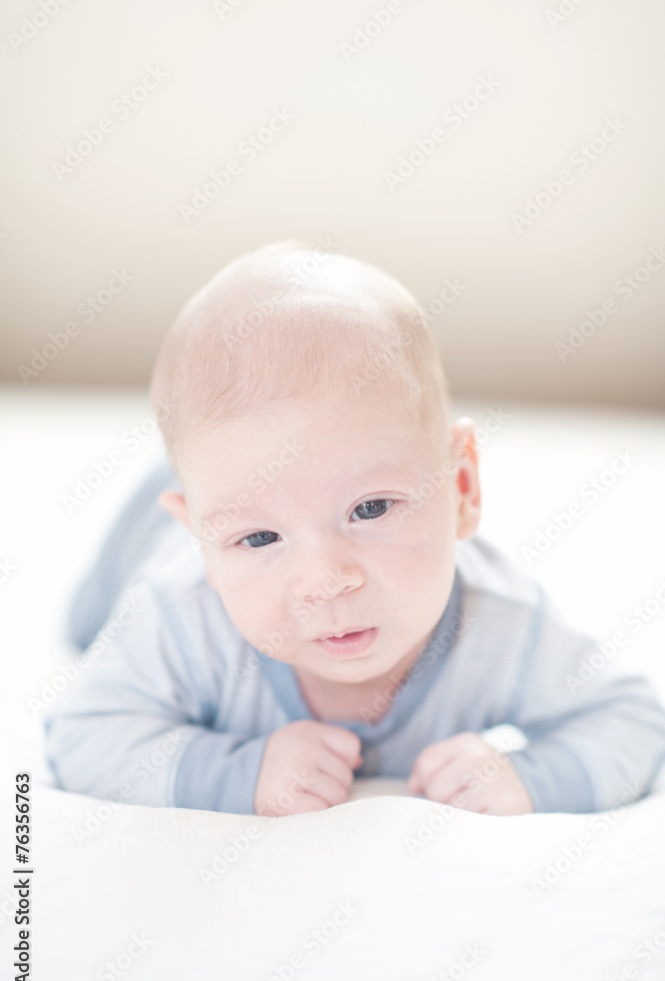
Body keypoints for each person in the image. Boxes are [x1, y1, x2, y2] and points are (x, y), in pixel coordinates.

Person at [44, 242, 665, 818]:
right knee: (89, 621)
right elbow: (81, 735)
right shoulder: (183, 622)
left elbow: (633, 723)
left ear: (462, 486)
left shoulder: (501, 625)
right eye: (258, 539)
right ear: (202, 544)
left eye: (370, 509)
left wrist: (530, 778)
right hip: (145, 544)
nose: (326, 581)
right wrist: (234, 773)